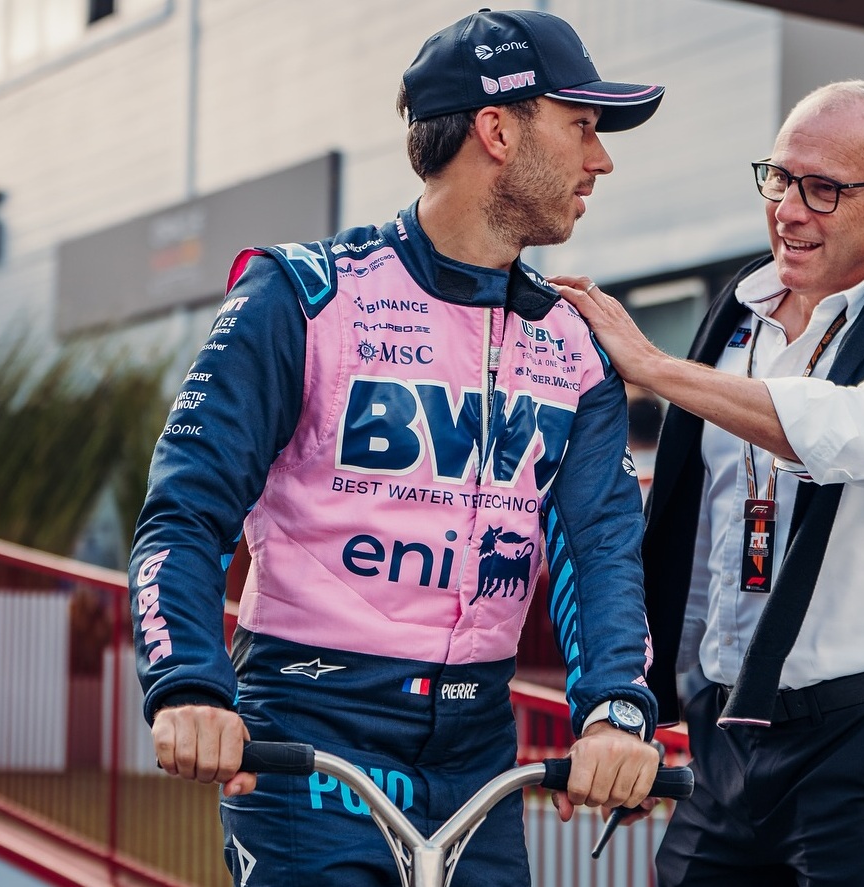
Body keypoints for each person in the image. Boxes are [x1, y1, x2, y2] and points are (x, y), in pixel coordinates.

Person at [127, 9, 666, 886]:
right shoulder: (301, 295)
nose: (599, 159)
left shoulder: (574, 343)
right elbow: (185, 510)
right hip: (306, 729)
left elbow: (601, 546)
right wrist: (187, 683)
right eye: (580, 126)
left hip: (477, 747)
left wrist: (614, 710)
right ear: (497, 130)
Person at [557, 79, 864, 886]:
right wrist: (652, 694)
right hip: (729, 725)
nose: (788, 211)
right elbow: (705, 522)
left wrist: (655, 368)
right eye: (778, 178)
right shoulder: (739, 310)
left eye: (823, 189)